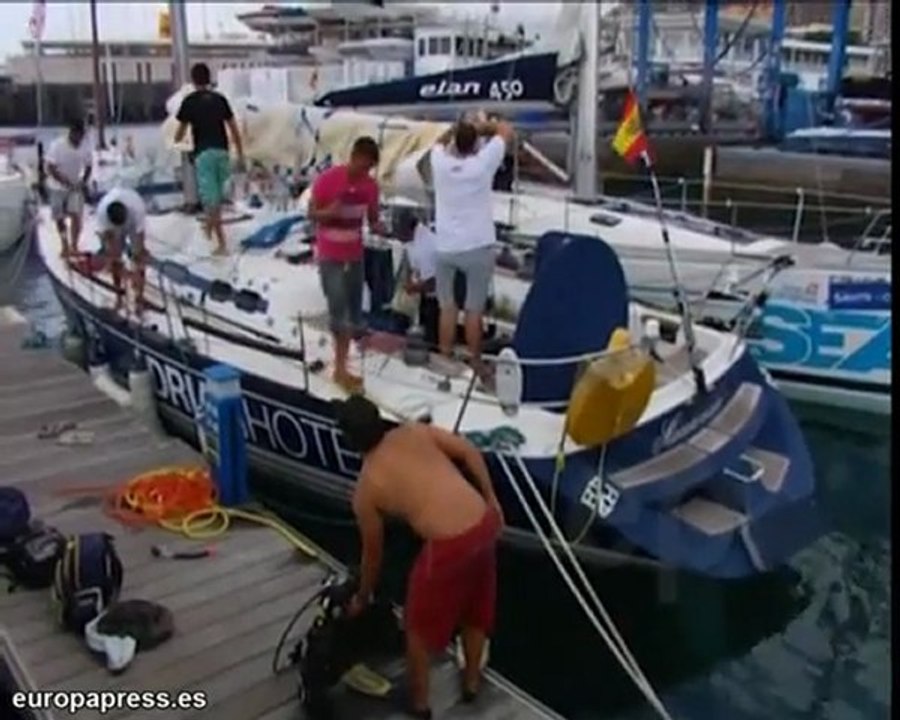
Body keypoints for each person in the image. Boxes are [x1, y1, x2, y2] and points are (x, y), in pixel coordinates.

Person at [334, 394, 504, 719]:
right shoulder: (414, 431)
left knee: (416, 628)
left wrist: (362, 597)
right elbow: (468, 451)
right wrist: (492, 498)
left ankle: (420, 705)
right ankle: (470, 685)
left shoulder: (367, 487)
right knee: (474, 610)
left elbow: (373, 556)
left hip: (448, 545)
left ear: (350, 440)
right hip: (483, 521)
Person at [429, 116, 515, 384]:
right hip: (477, 247)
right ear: (477, 144)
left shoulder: (439, 162)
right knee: (474, 309)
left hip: (445, 246)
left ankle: (445, 356)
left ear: (455, 141)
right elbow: (505, 130)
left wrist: (460, 128)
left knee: (447, 307)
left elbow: (438, 141)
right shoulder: (482, 165)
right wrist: (483, 126)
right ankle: (475, 362)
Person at [308, 136, 386, 393]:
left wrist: (381, 228)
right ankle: (340, 370)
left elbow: (373, 219)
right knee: (338, 308)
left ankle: (344, 364)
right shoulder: (328, 179)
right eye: (363, 167)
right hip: (330, 253)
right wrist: (329, 213)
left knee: (354, 314)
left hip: (354, 254)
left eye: (369, 169)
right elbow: (311, 214)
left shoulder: (371, 186)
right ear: (353, 157)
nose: (365, 173)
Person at [174, 62, 245, 256]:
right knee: (218, 201)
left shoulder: (189, 101)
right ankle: (210, 229)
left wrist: (183, 139)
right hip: (223, 152)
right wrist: (240, 154)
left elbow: (178, 135)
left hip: (204, 155)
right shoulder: (220, 99)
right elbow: (234, 129)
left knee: (211, 202)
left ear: (193, 80)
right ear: (209, 78)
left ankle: (220, 243)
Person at [95, 186, 147, 314]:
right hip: (112, 225)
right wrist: (115, 261)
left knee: (139, 257)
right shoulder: (102, 213)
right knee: (114, 257)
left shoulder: (137, 209)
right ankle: (119, 296)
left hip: (133, 221)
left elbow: (139, 247)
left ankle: (139, 298)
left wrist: (136, 269)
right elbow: (109, 250)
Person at [45, 117, 92, 257]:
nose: (79, 139)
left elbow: (89, 165)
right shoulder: (57, 145)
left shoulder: (84, 146)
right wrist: (63, 181)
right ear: (71, 133)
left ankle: (74, 246)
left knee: (76, 215)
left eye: (81, 136)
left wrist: (83, 181)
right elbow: (50, 167)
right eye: (77, 135)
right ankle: (64, 244)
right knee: (59, 217)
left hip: (75, 185)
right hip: (56, 186)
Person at [394, 208, 440, 346]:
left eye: (398, 231)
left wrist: (413, 288)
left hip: (437, 296)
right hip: (423, 290)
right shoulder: (410, 240)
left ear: (407, 229)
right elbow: (410, 265)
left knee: (431, 333)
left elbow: (432, 282)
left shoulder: (425, 246)